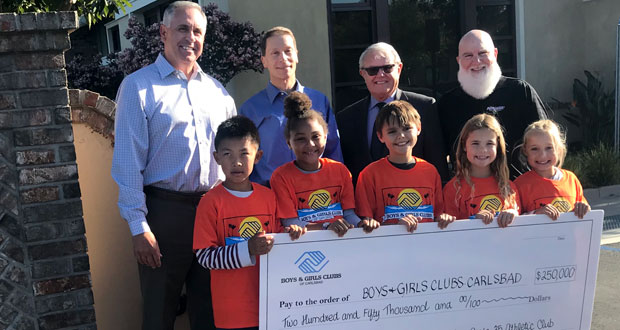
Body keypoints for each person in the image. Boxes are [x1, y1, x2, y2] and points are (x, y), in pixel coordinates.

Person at [111, 2, 236, 329]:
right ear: (164, 32)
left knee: (212, 310)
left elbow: (233, 159)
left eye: (197, 32)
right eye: (183, 28)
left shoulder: (219, 93)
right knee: (160, 312)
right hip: (164, 215)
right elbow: (127, 164)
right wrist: (139, 228)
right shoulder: (138, 87)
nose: (190, 38)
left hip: (213, 212)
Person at [193, 116, 303, 330]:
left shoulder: (269, 197)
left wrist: (292, 233)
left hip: (272, 306)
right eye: (228, 154)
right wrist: (247, 250)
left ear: (258, 156)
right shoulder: (210, 202)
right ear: (216, 157)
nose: (237, 162)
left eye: (244, 153)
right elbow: (204, 256)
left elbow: (278, 240)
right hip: (233, 313)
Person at [239, 26, 342, 186]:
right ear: (264, 61)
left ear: (296, 56)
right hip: (271, 195)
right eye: (275, 53)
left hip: (317, 195)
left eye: (288, 51)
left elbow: (333, 149)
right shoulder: (251, 109)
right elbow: (245, 158)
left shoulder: (319, 101)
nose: (283, 58)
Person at [438, 29, 548, 179]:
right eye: (468, 55)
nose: (476, 61)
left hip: (517, 193)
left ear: (495, 54)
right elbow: (437, 156)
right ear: (459, 61)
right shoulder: (447, 104)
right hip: (466, 196)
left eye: (483, 53)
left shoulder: (520, 92)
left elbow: (547, 143)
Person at [337, 42, 449, 184]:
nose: (380, 74)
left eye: (387, 68)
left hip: (415, 199)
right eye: (373, 70)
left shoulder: (425, 107)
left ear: (399, 68)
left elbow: (438, 163)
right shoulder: (346, 118)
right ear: (362, 74)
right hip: (365, 202)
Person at [270, 92, 380, 235]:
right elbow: (290, 222)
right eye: (300, 139)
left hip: (342, 243)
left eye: (316, 137)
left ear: (326, 137)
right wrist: (326, 226)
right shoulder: (280, 177)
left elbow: (349, 215)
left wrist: (362, 223)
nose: (310, 144)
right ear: (288, 143)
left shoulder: (340, 171)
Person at [355, 101, 453, 232]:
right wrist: (395, 227)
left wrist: (444, 218)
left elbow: (438, 216)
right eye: (392, 131)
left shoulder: (430, 171)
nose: (401, 136)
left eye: (407, 128)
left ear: (418, 128)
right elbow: (366, 224)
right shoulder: (370, 174)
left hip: (427, 247)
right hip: (387, 249)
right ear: (380, 136)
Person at [443, 114, 520, 227]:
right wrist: (474, 220)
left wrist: (513, 213)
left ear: (497, 146)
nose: (483, 150)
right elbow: (450, 228)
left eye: (489, 144)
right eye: (475, 143)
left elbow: (521, 225)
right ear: (464, 145)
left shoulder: (508, 187)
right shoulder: (453, 189)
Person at [514, 120, 590, 220]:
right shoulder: (519, 185)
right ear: (525, 151)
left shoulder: (571, 179)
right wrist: (535, 214)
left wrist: (584, 209)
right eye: (534, 149)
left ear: (558, 149)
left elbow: (586, 215)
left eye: (549, 148)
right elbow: (514, 221)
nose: (542, 155)